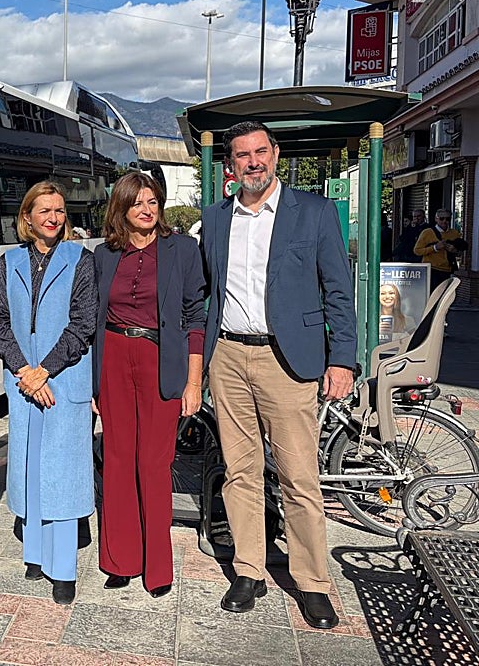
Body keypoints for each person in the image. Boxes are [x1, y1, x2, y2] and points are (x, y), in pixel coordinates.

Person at [200, 121, 356, 631]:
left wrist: (342, 359)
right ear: (230, 166)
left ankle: (312, 581)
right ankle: (249, 569)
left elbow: (338, 289)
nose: (252, 162)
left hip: (288, 361)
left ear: (276, 153)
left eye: (259, 152)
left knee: (299, 477)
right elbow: (208, 291)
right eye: (241, 155)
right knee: (239, 471)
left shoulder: (313, 212)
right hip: (227, 356)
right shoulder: (216, 219)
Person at [93, 171, 205, 599]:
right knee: (118, 459)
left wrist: (194, 382)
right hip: (114, 358)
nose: (146, 209)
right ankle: (121, 560)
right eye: (137, 203)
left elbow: (196, 317)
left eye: (152, 201)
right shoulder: (105, 255)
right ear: (121, 208)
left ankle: (157, 567)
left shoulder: (182, 250)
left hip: (163, 360)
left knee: (154, 463)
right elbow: (91, 321)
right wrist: (90, 384)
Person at [0, 180, 96, 605]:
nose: (53, 218)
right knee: (30, 469)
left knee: (63, 474)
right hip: (23, 382)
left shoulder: (80, 259)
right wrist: (22, 370)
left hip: (63, 379)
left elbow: (82, 324)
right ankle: (34, 554)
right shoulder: (9, 260)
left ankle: (63, 568)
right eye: (44, 211)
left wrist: (44, 371)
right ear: (28, 218)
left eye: (58, 211)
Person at [414, 209, 466, 290]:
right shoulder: (427, 232)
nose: (445, 221)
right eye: (442, 218)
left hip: (448, 270)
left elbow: (460, 253)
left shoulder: (454, 233)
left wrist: (455, 251)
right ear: (436, 219)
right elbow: (417, 251)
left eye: (447, 219)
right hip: (431, 270)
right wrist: (435, 248)